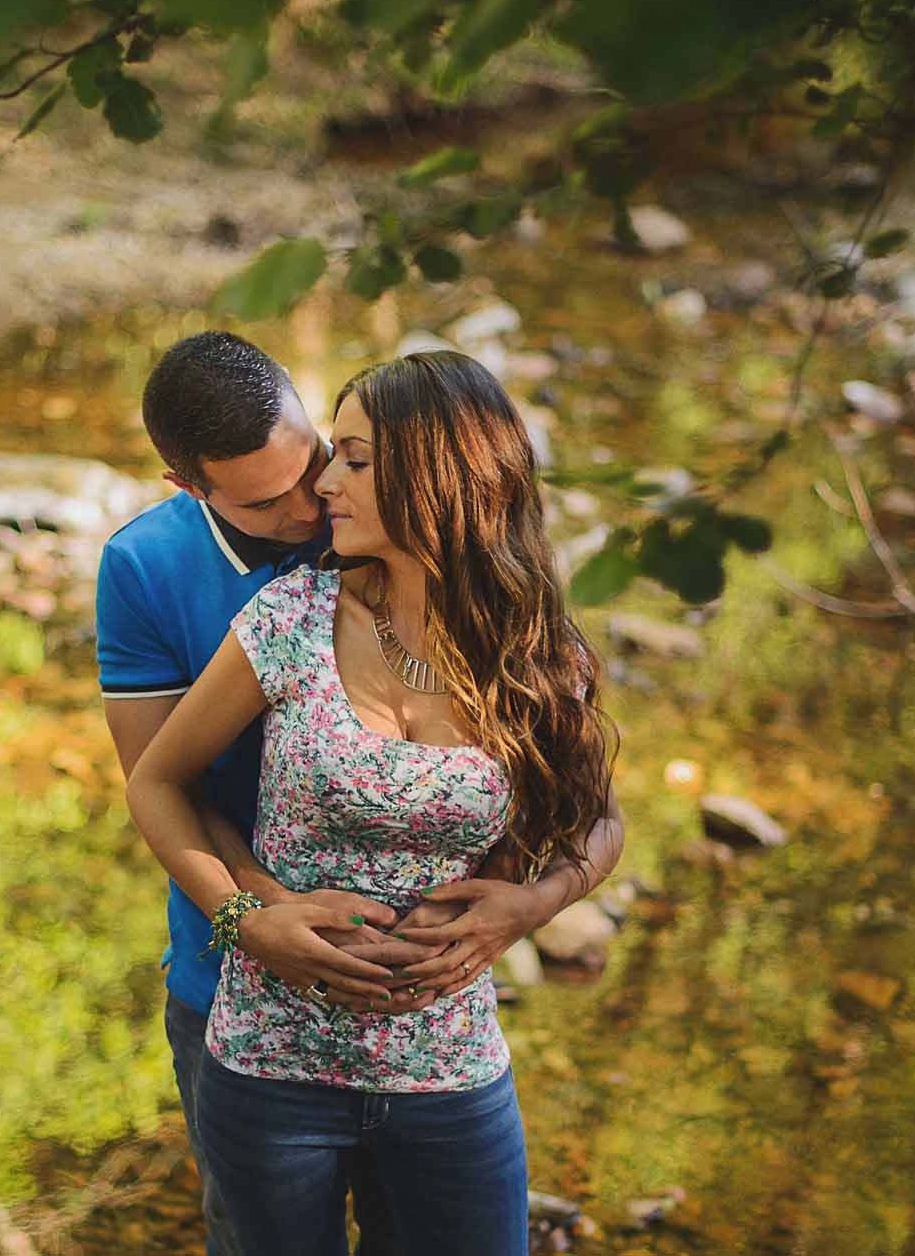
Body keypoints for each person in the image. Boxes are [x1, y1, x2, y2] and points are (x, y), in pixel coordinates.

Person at [96, 334, 624, 1255]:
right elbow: (157, 778)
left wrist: (527, 903)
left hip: (443, 1054)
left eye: (331, 461)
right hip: (252, 1006)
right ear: (195, 487)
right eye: (274, 497)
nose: (316, 498)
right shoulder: (196, 585)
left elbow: (593, 813)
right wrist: (247, 914)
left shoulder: (521, 636)